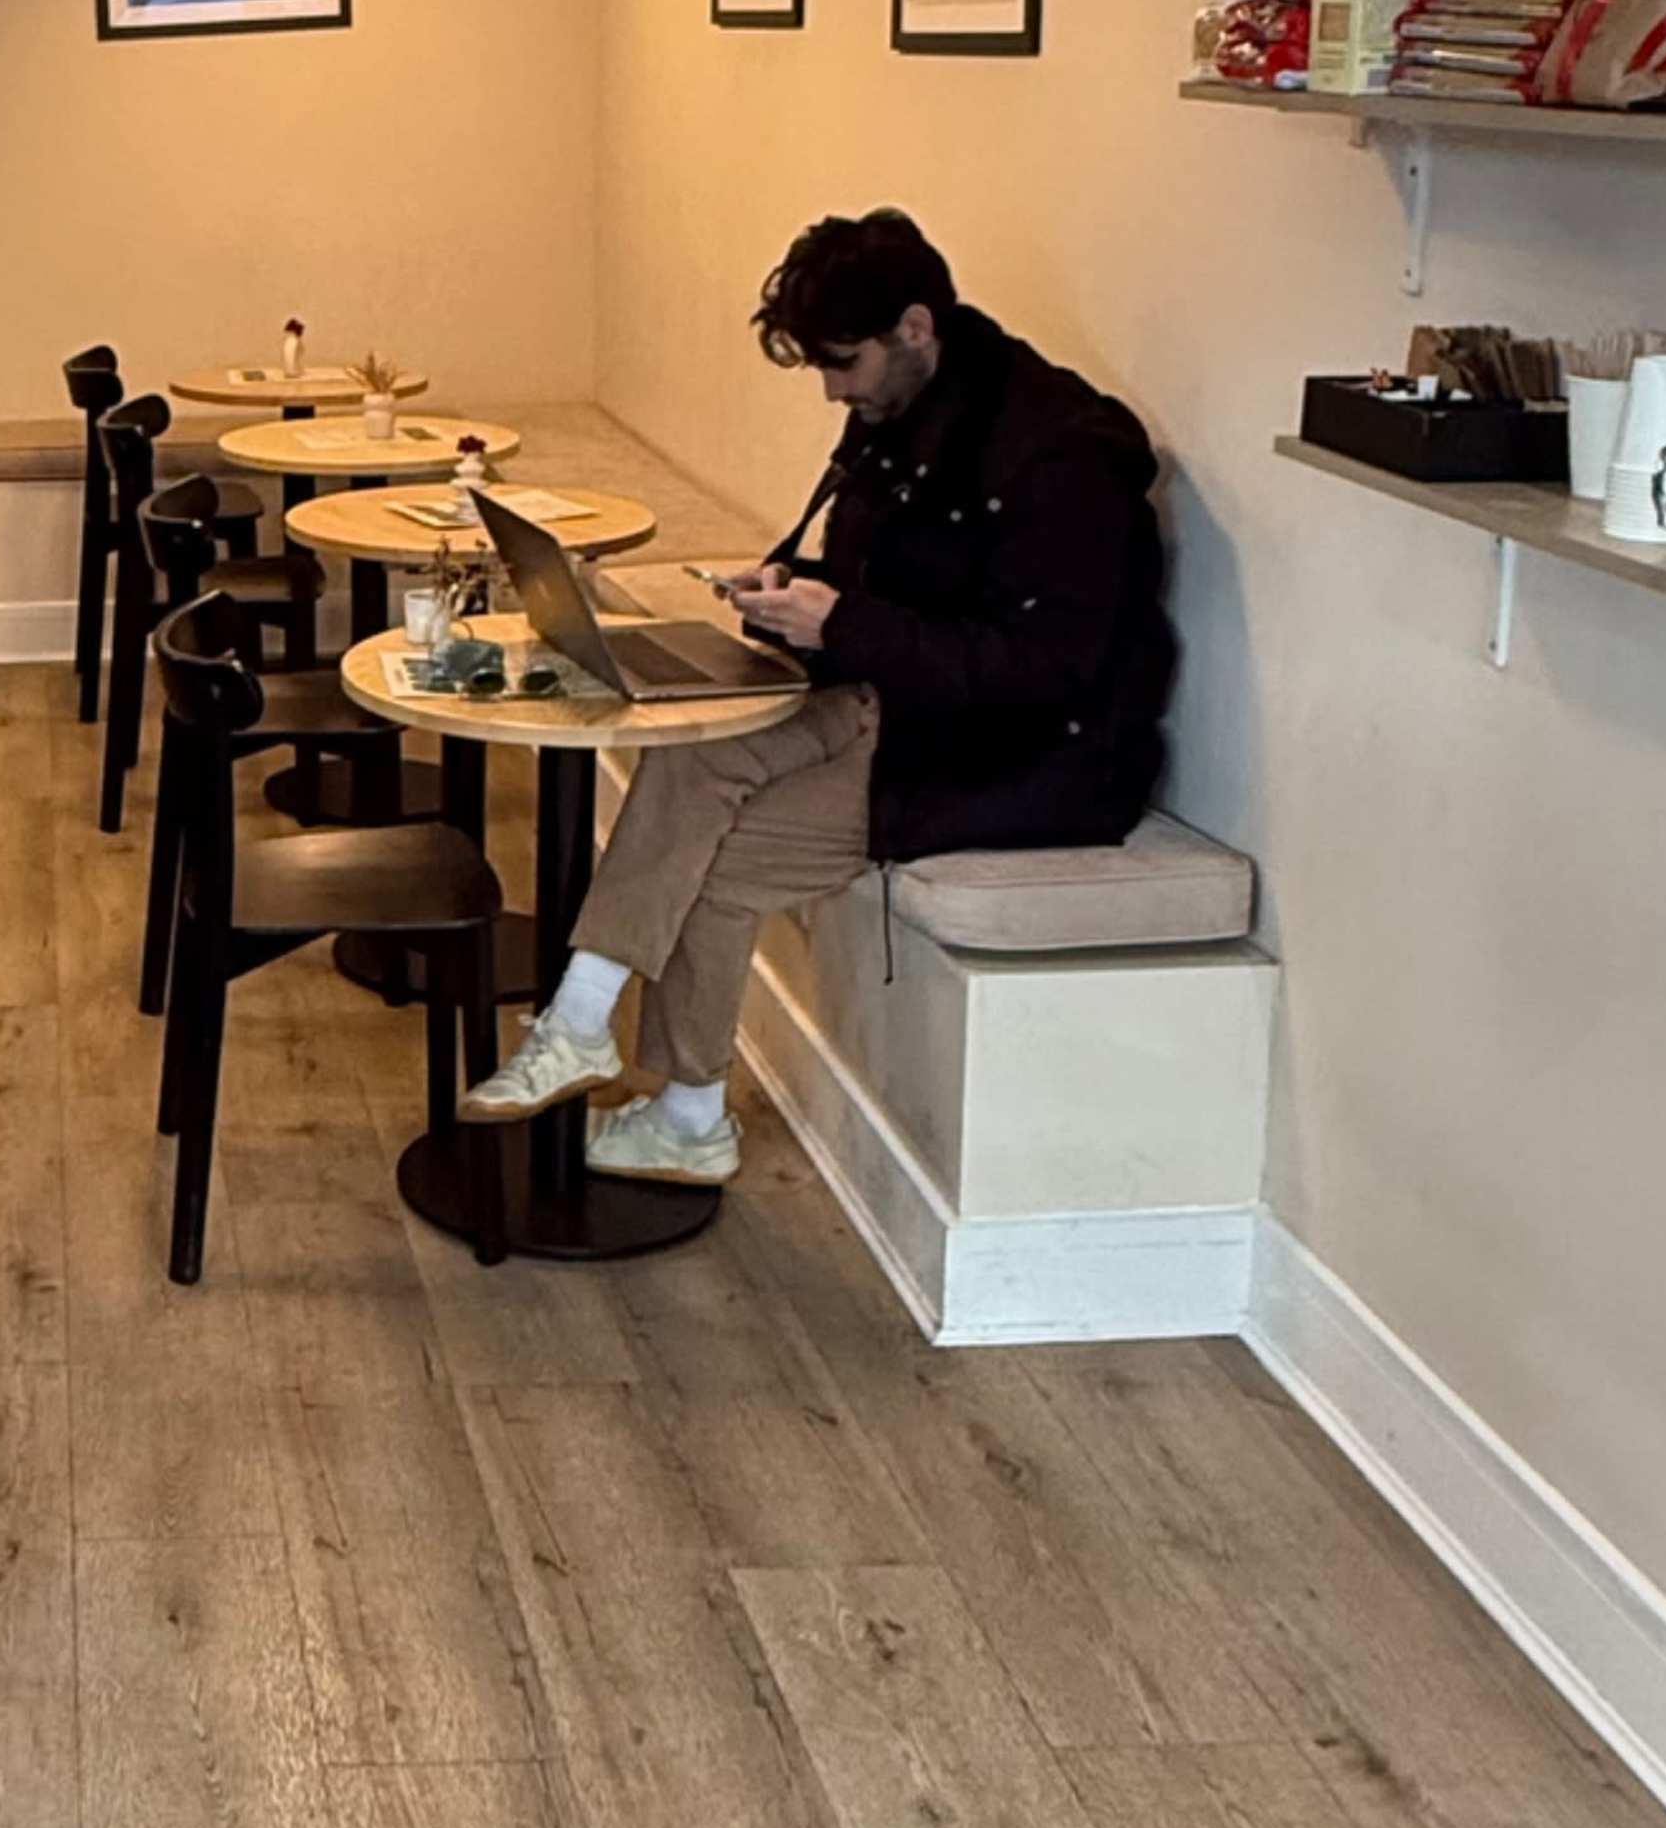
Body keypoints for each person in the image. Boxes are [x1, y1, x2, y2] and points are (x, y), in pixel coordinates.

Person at [459, 208, 1173, 1181]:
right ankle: (605, 1041)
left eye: (845, 363)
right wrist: (780, 597)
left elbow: (1046, 670)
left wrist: (841, 624)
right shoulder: (903, 406)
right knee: (690, 747)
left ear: (915, 327)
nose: (835, 388)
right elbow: (870, 581)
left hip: (1027, 752)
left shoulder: (1058, 457)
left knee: (707, 853)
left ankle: (673, 1100)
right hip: (888, 700)